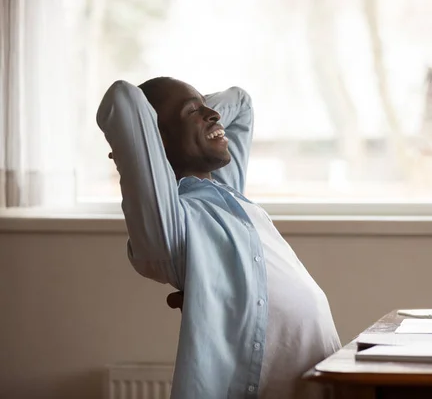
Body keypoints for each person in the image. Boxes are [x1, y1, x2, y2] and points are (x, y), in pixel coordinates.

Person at [96, 78, 341, 399]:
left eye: (207, 108)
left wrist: (195, 112)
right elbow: (123, 99)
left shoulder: (229, 198)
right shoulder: (169, 227)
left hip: (316, 380)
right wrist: (137, 146)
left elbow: (240, 103)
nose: (214, 114)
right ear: (155, 140)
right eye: (193, 112)